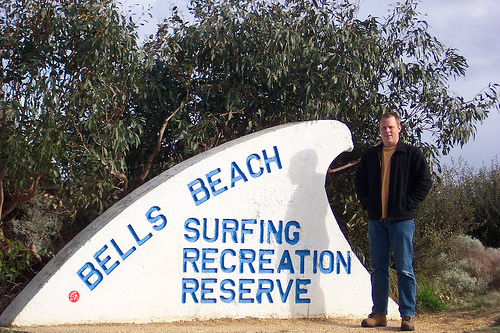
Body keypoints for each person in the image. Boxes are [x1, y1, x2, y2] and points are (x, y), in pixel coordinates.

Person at [355, 112, 432, 331]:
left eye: (390, 127)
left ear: (399, 128)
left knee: (405, 269)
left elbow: (424, 183)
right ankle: (379, 314)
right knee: (378, 268)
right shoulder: (371, 155)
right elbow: (359, 182)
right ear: (380, 130)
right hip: (377, 221)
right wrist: (368, 203)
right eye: (383, 128)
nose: (387, 131)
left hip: (402, 221)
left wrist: (408, 204)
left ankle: (407, 316)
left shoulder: (412, 154)